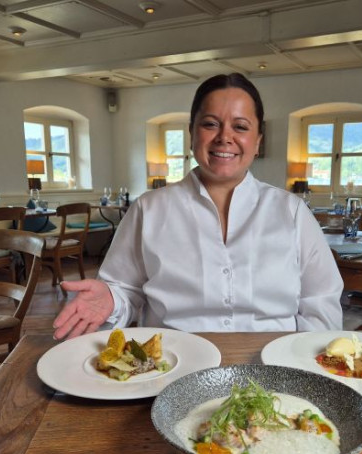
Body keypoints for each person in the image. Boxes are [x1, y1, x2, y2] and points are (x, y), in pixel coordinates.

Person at [53, 73, 342, 340]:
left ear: (257, 142)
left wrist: (301, 364)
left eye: (240, 127)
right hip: (175, 363)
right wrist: (111, 299)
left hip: (271, 366)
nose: (224, 137)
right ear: (192, 133)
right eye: (210, 124)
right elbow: (125, 291)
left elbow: (321, 303)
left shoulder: (292, 211)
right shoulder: (148, 209)